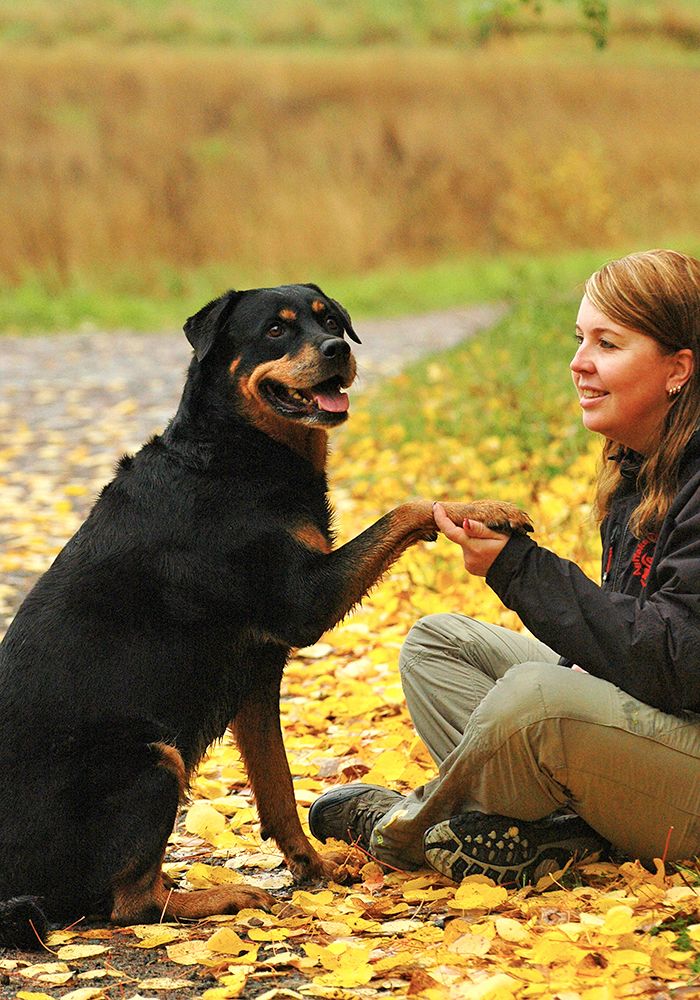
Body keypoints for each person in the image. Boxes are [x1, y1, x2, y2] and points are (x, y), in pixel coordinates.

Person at [308, 248, 700, 885]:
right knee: (437, 645)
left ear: (678, 368)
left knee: (536, 699)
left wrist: (521, 571)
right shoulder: (641, 464)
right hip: (661, 729)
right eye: (580, 339)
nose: (578, 363)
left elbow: (679, 662)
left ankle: (405, 830)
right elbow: (636, 653)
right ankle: (555, 835)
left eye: (608, 342)